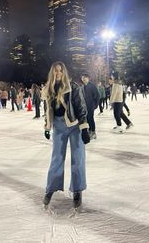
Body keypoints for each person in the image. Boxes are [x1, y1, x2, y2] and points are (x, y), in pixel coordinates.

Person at [42, 61, 90, 209]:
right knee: (57, 157)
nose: (58, 73)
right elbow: (47, 110)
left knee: (78, 157)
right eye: (56, 71)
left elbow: (81, 107)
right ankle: (50, 188)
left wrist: (84, 128)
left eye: (60, 71)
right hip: (58, 126)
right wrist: (47, 126)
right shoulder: (48, 89)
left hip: (74, 125)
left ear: (64, 72)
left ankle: (77, 190)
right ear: (52, 72)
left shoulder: (72, 87)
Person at [81, 73, 99, 140]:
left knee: (90, 118)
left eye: (84, 78)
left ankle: (93, 132)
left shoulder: (92, 86)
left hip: (91, 106)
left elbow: (97, 96)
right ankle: (89, 131)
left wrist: (95, 105)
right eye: (82, 78)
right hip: (85, 106)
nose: (83, 79)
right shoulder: (82, 86)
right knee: (87, 119)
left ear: (88, 78)